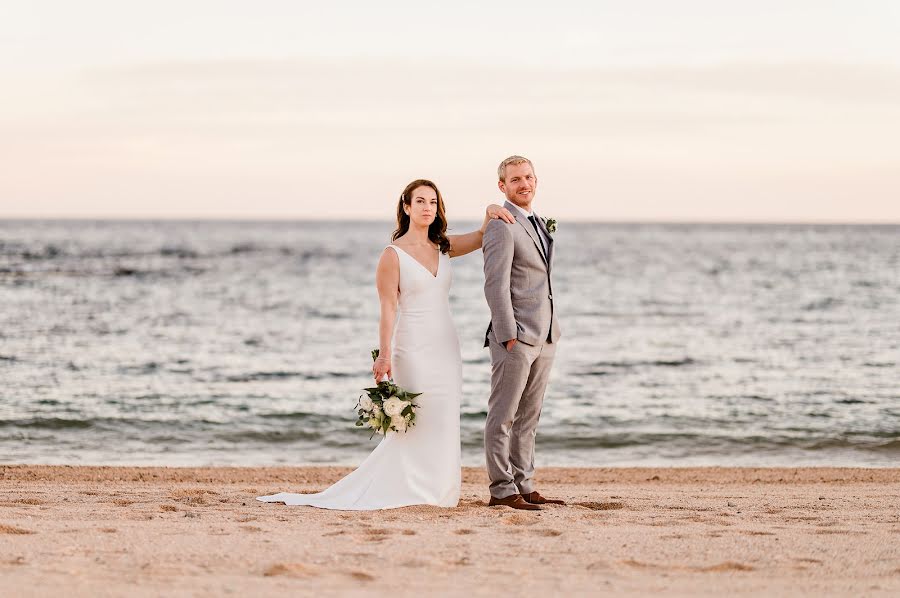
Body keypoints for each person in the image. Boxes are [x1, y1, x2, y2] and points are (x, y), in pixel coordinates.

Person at [257, 179, 514, 509]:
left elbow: (480, 238)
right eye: (420, 201)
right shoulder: (392, 255)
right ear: (406, 207)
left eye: (433, 202)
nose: (427, 208)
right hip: (413, 347)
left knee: (445, 416)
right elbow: (388, 309)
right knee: (418, 419)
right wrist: (384, 355)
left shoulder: (443, 246)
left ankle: (440, 490)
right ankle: (407, 488)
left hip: (446, 345)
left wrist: (490, 213)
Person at [482, 155, 564, 511]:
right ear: (503, 186)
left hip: (545, 334)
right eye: (515, 179)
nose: (523, 184)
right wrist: (506, 333)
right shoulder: (501, 224)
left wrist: (549, 331)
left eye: (528, 177)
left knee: (530, 416)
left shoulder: (539, 222)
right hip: (515, 337)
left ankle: (524, 483)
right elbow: (495, 284)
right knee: (503, 416)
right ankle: (501, 490)